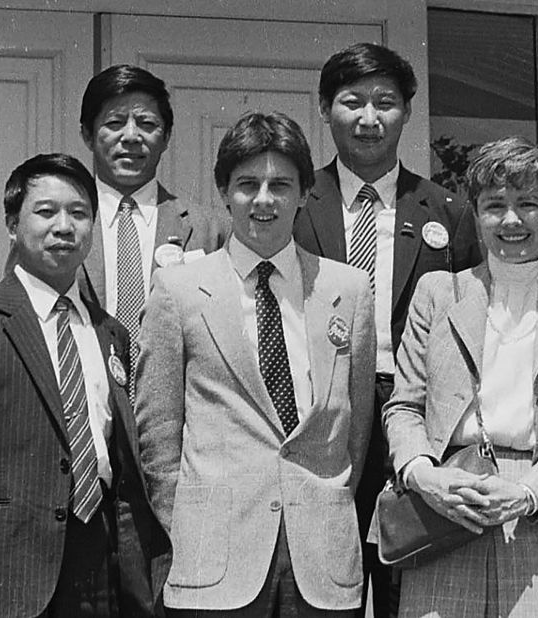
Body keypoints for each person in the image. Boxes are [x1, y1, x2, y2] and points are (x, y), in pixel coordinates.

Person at [0, 154, 165, 616]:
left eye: (79, 213)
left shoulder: (110, 332)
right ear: (12, 224)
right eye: (46, 212)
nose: (64, 226)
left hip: (95, 561)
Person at [135, 112, 376, 616]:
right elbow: (158, 436)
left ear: (305, 193)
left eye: (280, 185)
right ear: (224, 191)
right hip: (214, 561)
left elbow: (356, 428)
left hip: (321, 560)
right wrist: (191, 526)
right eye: (248, 184)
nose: (264, 200)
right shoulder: (179, 291)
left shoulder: (347, 290)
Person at [384, 137, 538, 617]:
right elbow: (404, 405)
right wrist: (423, 474)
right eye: (495, 206)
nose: (512, 220)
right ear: (476, 213)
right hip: (447, 505)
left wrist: (530, 492)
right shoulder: (439, 293)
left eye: (528, 203)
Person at [292, 43, 481, 617]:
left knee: (409, 577)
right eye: (352, 102)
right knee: (325, 575)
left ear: (406, 112)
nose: (369, 118)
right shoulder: (295, 204)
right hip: (323, 414)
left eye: (386, 103)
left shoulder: (446, 209)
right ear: (325, 110)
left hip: (415, 420)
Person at [78, 64, 230, 392]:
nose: (131, 136)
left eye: (147, 124)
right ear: (88, 135)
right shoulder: (60, 225)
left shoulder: (211, 229)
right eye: (115, 123)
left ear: (166, 137)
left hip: (176, 411)